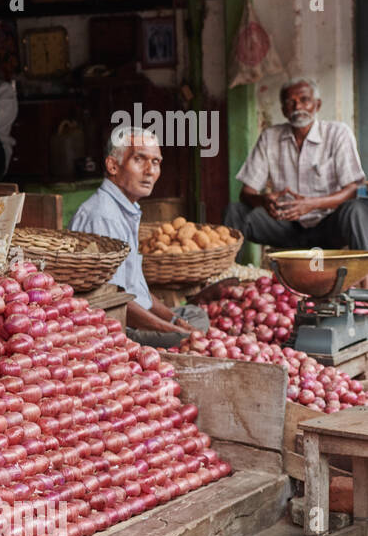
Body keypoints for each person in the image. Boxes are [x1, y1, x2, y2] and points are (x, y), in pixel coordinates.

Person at [69, 126, 207, 347]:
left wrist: (174, 319)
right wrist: (174, 330)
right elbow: (113, 301)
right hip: (114, 328)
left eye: (156, 162)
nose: (150, 171)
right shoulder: (104, 217)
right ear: (113, 166)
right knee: (193, 330)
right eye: (139, 159)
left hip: (131, 315)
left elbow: (136, 290)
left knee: (194, 316)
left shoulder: (124, 210)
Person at [224, 78, 368, 250]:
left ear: (317, 105)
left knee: (355, 209)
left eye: (304, 100)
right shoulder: (270, 137)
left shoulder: (338, 133)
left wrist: (312, 204)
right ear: (283, 110)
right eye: (290, 102)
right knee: (235, 211)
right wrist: (264, 201)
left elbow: (353, 189)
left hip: (328, 227)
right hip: (285, 226)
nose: (297, 107)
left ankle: (364, 273)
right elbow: (246, 193)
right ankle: (228, 273)